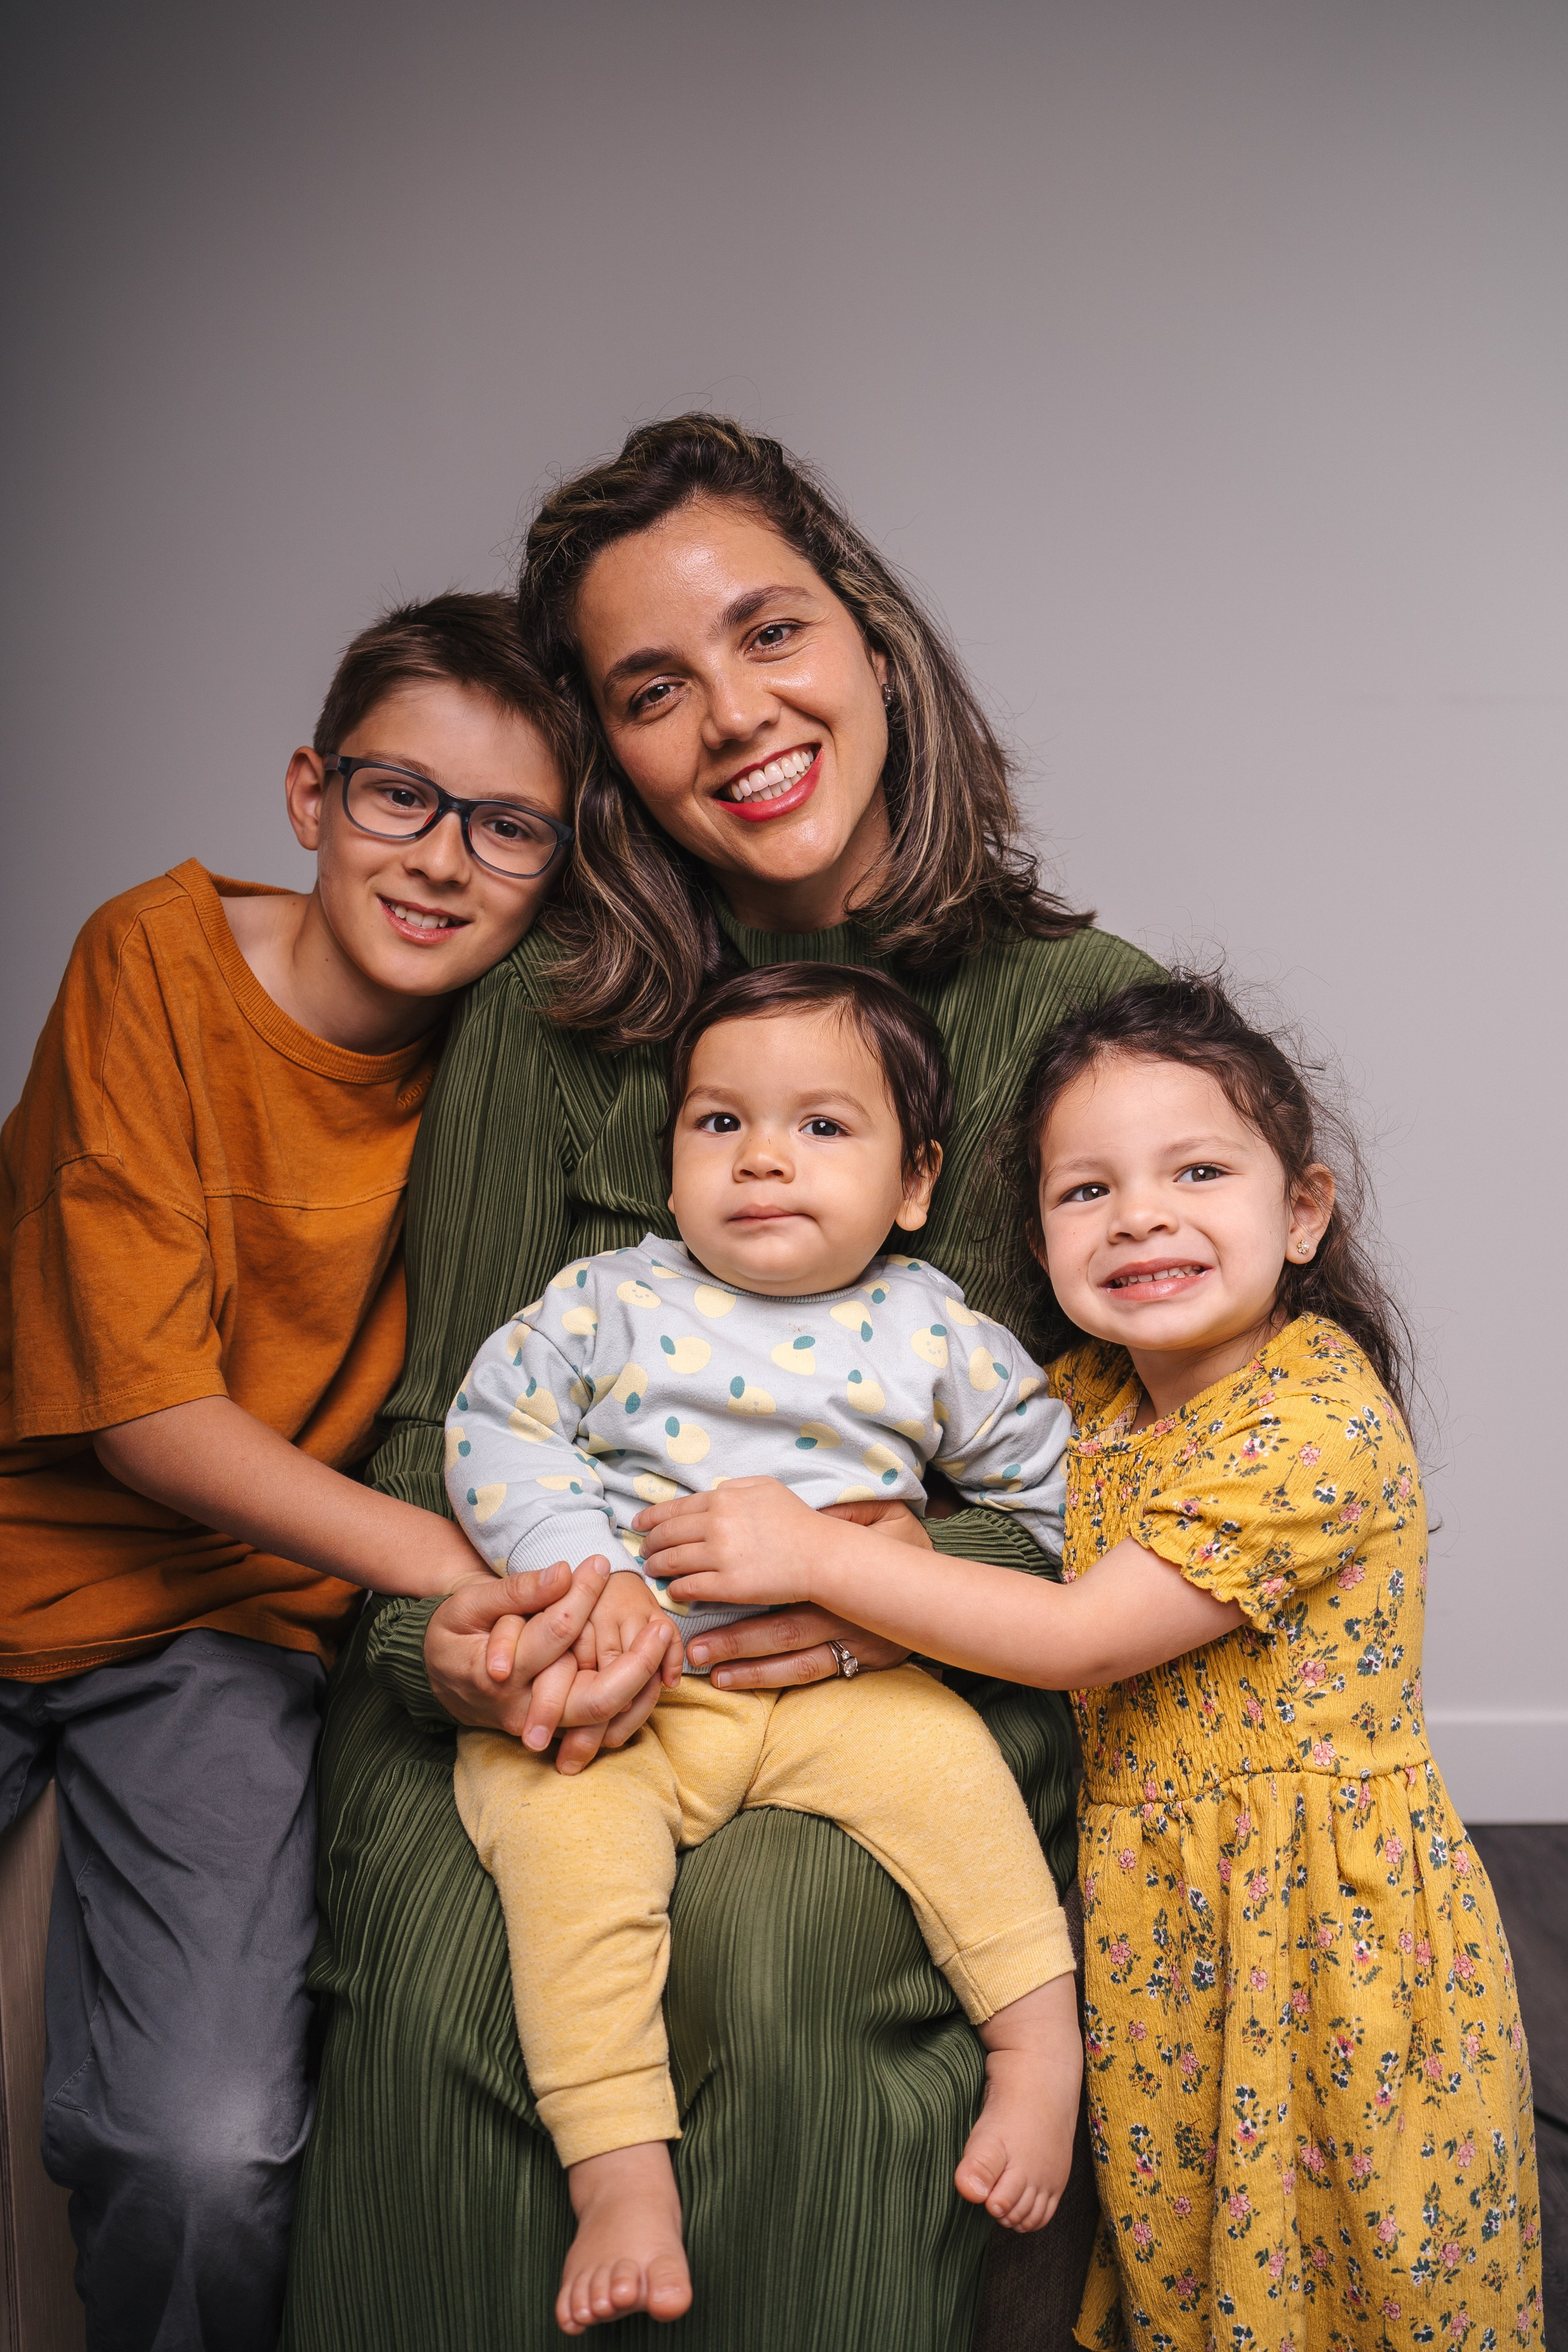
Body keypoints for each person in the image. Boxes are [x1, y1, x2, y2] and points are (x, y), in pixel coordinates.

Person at [282, 415, 1163, 2352]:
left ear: (867, 636)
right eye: (653, 689)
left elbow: (1110, 1470)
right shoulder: (547, 1011)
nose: (735, 718)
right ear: (608, 752)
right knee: (459, 1960)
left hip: (926, 1674)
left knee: (775, 1941)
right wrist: (471, 1641)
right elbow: (442, 1428)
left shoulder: (1076, 1006)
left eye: (771, 634)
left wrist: (873, 1589)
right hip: (559, 1660)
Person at [633, 973, 1544, 2352]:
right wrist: (897, 1544)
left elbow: (1072, 1633)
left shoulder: (1312, 1421)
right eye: (1083, 1192)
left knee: (1366, 2264)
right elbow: (974, 1537)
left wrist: (822, 1560)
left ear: (1299, 1211)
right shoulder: (1087, 1405)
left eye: (1196, 1170)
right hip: (1161, 1923)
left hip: (1324, 1934)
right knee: (1203, 2262)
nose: (1138, 1217)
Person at [0, 596, 668, 2352]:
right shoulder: (148, 959)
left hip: (229, 1635)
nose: (443, 861)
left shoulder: (513, 1047)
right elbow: (148, 1416)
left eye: (508, 825)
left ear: (556, 863)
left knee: (207, 2155)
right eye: (400, 799)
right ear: (311, 793)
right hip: (19, 1552)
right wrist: (464, 1567)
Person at [450, 962, 1084, 2334]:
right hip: (639, 1691)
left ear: (913, 1182)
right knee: (560, 1855)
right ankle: (619, 2172)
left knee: (963, 1797)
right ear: (670, 1166)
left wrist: (914, 1569)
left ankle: (1037, 2053)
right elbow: (491, 1428)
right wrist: (592, 1575)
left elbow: (1067, 1499)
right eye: (718, 1124)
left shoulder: (928, 1328)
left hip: (848, 1692)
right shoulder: (606, 1299)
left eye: (821, 1127)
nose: (763, 1161)